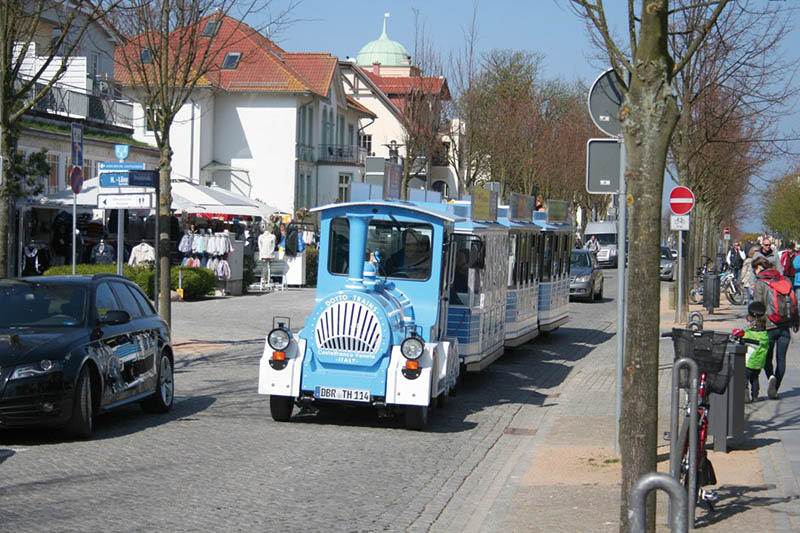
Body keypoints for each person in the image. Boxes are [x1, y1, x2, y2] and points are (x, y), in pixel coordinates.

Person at [753, 256, 798, 399]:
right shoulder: (784, 279)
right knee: (781, 359)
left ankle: (771, 377)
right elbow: (794, 301)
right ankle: (775, 388)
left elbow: (757, 307)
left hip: (768, 326)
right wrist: (796, 321)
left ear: (759, 268)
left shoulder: (760, 283)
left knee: (767, 358)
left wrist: (755, 323)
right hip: (785, 325)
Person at [742, 302, 769, 403]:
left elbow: (741, 338)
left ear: (753, 323)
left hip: (749, 361)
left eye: (748, 322)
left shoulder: (749, 333)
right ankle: (755, 395)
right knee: (755, 378)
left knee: (745, 379)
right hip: (759, 363)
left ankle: (745, 395)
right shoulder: (765, 335)